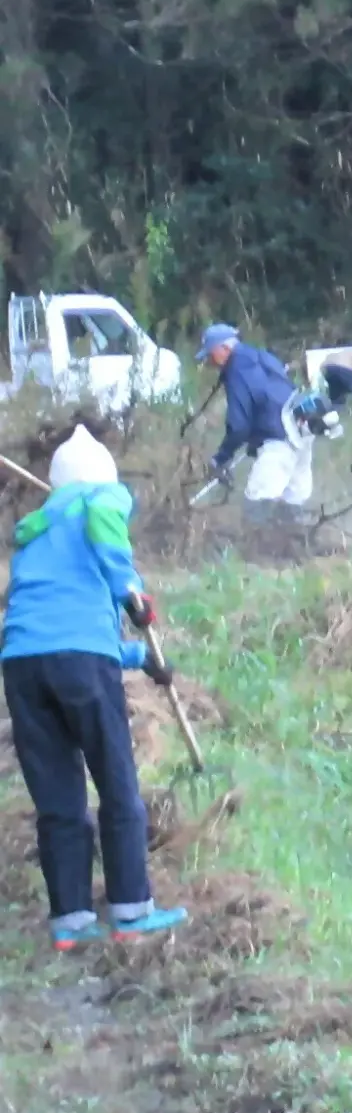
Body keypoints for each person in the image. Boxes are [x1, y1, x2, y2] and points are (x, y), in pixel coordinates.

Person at [2, 426, 186, 950]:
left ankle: (71, 921)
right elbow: (109, 552)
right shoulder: (101, 500)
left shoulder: (35, 533)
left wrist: (142, 658)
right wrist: (132, 594)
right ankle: (131, 911)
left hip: (22, 665)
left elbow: (66, 626)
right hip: (79, 661)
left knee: (58, 796)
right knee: (117, 783)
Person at [198, 323, 314, 526]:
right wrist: (256, 439)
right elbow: (275, 394)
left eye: (210, 353)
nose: (210, 361)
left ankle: (257, 544)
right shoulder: (263, 357)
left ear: (224, 348)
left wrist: (221, 458)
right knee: (293, 502)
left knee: (257, 502)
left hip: (278, 440)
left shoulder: (236, 369)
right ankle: (300, 541)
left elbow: (239, 426)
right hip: (302, 433)